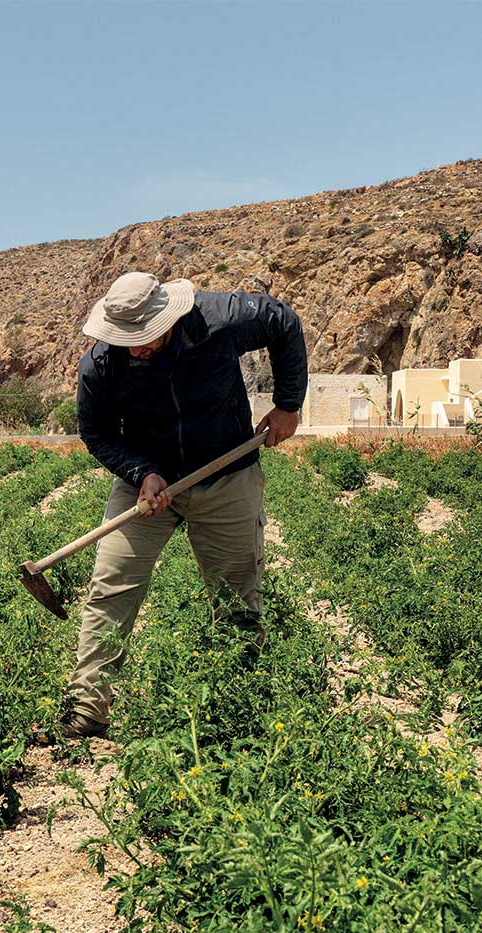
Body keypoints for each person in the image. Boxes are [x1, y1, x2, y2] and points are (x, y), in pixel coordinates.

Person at [62, 270, 307, 737]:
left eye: (143, 337)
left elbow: (284, 321)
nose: (135, 349)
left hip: (225, 472)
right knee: (110, 588)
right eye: (125, 340)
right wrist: (142, 473)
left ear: (167, 316)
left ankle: (241, 702)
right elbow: (95, 433)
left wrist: (288, 403)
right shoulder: (99, 366)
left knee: (236, 591)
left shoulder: (218, 319)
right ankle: (86, 709)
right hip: (148, 485)